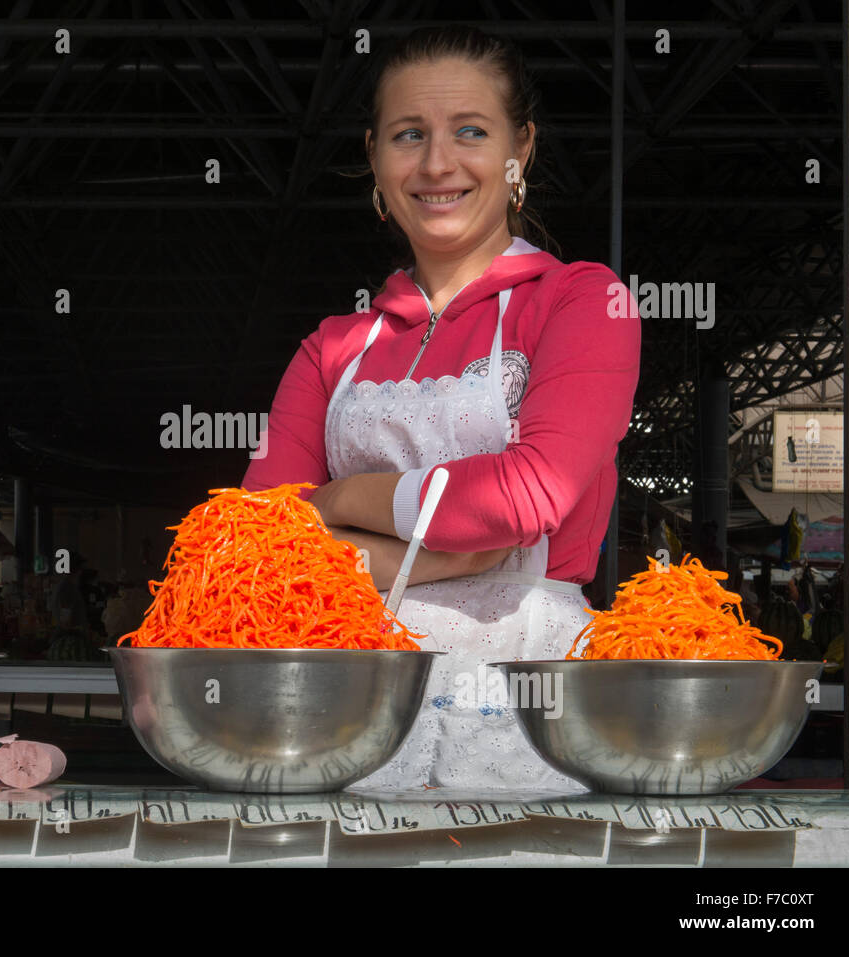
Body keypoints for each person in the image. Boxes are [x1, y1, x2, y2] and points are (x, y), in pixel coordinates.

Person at [243, 25, 641, 790]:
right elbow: (257, 552)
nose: (436, 163)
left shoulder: (587, 302)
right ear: (374, 156)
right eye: (408, 135)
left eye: (470, 131)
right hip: (343, 721)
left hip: (532, 721)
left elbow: (531, 494)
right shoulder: (331, 346)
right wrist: (446, 552)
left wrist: (343, 500)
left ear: (519, 147)